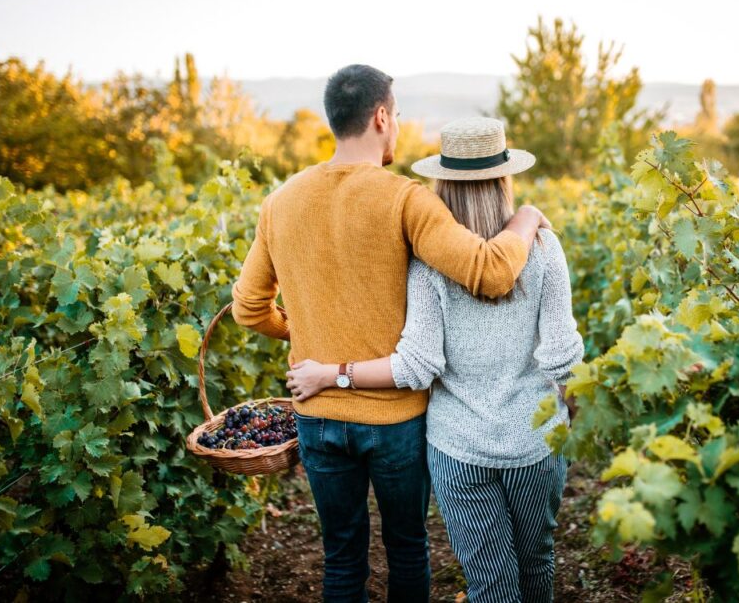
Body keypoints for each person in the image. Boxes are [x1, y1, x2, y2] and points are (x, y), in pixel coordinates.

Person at [229, 67, 550, 603]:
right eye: (396, 116)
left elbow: (247, 308)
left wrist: (303, 331)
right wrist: (525, 221)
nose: (397, 127)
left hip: (317, 412)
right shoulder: (405, 199)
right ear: (381, 117)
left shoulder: (280, 202)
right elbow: (492, 272)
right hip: (396, 417)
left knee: (341, 557)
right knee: (406, 548)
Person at [286, 116, 584, 603]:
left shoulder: (427, 263)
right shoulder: (545, 249)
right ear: (504, 178)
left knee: (491, 585)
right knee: (538, 563)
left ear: (442, 184)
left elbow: (415, 365)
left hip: (458, 450)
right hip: (535, 443)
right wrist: (580, 415)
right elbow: (561, 357)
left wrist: (332, 375)